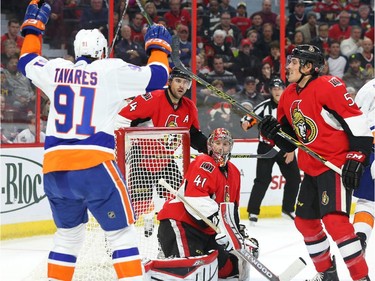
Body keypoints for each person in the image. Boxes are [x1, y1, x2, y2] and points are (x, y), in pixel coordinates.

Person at [17, 0, 172, 279]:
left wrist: (33, 30)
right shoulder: (109, 69)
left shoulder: (56, 69)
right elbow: (158, 77)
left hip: (55, 170)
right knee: (122, 235)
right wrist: (159, 48)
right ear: (102, 51)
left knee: (67, 237)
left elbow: (26, 61)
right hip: (93, 166)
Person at [257, 44, 372, 280]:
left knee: (336, 223)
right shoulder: (288, 94)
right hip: (310, 168)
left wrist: (357, 157)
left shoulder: (329, 86)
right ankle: (327, 274)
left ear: (308, 67)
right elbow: (290, 142)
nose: (288, 66)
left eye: (294, 62)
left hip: (333, 165)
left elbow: (357, 123)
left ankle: (361, 277)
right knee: (305, 223)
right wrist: (273, 132)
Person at [116, 68, 208, 236]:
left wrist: (209, 149)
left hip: (166, 160)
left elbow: (193, 135)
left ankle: (172, 239)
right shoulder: (154, 98)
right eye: (178, 81)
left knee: (179, 200)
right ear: (170, 81)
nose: (182, 85)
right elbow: (124, 118)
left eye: (186, 82)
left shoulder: (189, 107)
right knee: (137, 207)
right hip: (142, 158)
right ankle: (118, 238)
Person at [157, 128, 259, 280]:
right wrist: (221, 232)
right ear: (210, 145)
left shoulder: (235, 173)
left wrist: (237, 238)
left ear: (231, 147)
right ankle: (168, 255)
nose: (221, 148)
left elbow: (231, 210)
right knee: (193, 272)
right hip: (182, 225)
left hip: (208, 233)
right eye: (217, 143)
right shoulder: (203, 163)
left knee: (230, 269)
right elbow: (196, 201)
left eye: (225, 144)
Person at [240, 77, 301, 224]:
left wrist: (292, 149)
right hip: (266, 148)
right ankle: (253, 212)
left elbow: (297, 130)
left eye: (279, 88)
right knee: (262, 180)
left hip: (285, 148)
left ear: (284, 89)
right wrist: (247, 122)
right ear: (270, 91)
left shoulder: (291, 107)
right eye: (274, 89)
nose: (277, 91)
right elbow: (246, 122)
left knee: (294, 178)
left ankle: (287, 208)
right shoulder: (264, 107)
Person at [352, 78, 375, 253]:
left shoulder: (369, 89)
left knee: (367, 202)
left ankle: (360, 237)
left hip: (371, 150)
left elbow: (355, 122)